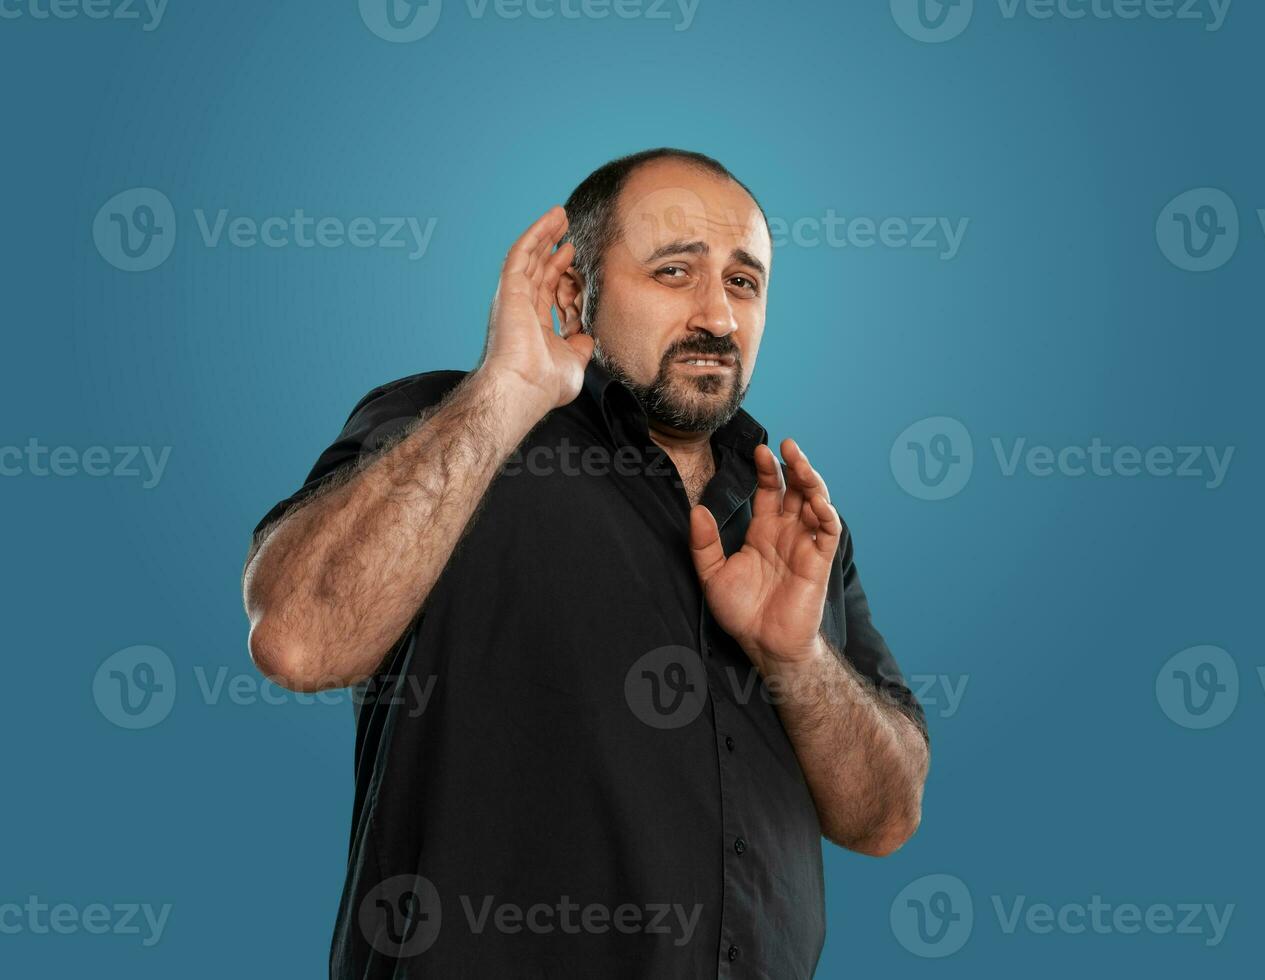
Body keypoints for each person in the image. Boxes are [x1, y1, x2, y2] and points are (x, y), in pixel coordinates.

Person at [241, 147, 931, 978]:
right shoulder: (453, 427)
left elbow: (886, 819)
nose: (718, 315)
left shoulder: (791, 516)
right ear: (575, 291)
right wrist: (505, 389)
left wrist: (796, 655)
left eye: (744, 283)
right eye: (675, 273)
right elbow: (298, 639)